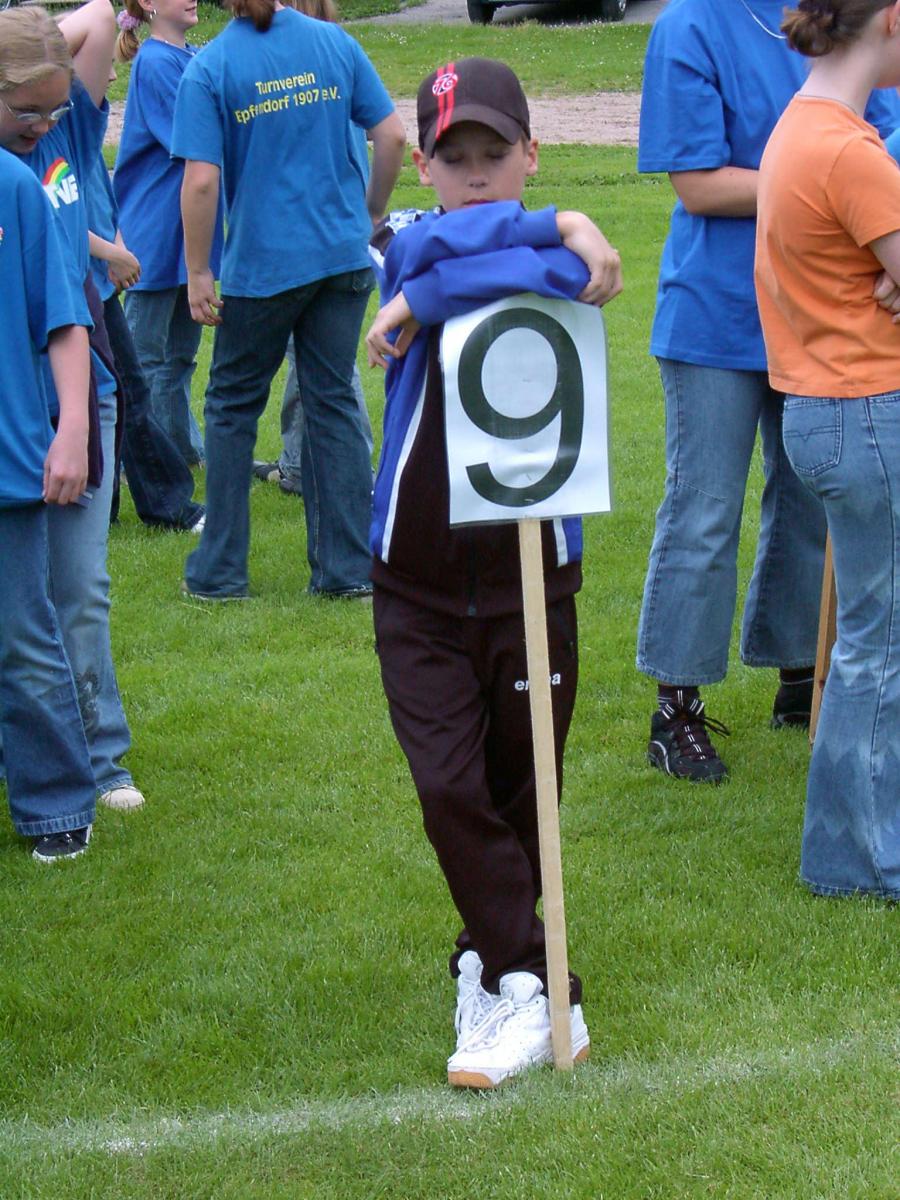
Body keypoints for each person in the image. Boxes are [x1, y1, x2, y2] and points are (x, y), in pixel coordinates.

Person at [364, 57, 622, 1087]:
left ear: (530, 154)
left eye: (494, 154)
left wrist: (557, 239)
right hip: (417, 582)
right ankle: (539, 985)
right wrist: (561, 224)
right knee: (448, 785)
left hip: (532, 576)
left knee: (523, 791)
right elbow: (430, 256)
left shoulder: (529, 257)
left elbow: (559, 282)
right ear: (423, 166)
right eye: (452, 156)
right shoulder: (405, 250)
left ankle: (488, 965)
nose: (474, 175)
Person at [635, 0, 899, 783]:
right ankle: (676, 703)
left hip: (816, 306)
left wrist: (877, 223)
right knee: (705, 506)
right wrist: (832, 188)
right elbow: (697, 184)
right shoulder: (689, 23)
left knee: (810, 497)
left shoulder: (833, 12)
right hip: (716, 315)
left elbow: (883, 135)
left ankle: (798, 668)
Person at [172, 0, 405, 601]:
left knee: (230, 406)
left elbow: (201, 180)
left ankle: (220, 571)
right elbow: (392, 135)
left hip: (263, 265)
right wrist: (371, 212)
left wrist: (198, 270)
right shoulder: (333, 43)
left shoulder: (210, 67)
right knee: (332, 401)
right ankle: (346, 569)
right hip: (340, 257)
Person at [754, 0, 900, 900]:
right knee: (879, 646)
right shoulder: (849, 151)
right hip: (868, 411)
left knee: (870, 640)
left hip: (826, 409)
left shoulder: (803, 128)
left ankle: (853, 849)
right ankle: (862, 860)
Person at [0, 0, 145, 812]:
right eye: (28, 111)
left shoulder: (65, 137)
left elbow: (93, 16)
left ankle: (101, 756)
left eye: (56, 108)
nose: (44, 124)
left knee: (78, 587)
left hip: (81, 392)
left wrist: (48, 57)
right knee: (19, 602)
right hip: (10, 398)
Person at [0, 150, 98, 862]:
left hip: (8, 457)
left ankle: (57, 802)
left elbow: (64, 318)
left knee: (22, 637)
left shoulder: (13, 184)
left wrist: (73, 429)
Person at [250, 0, 373, 499]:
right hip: (342, 231)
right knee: (316, 362)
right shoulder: (342, 57)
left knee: (329, 371)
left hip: (309, 240)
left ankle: (355, 474)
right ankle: (300, 464)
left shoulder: (303, 72)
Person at [85, 79, 206, 533]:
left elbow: (100, 198)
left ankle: (116, 506)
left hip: (98, 278)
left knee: (123, 390)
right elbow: (55, 214)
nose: (113, 77)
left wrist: (115, 245)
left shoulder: (79, 135)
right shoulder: (50, 138)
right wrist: (110, 253)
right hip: (77, 283)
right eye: (101, 70)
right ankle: (163, 503)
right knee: (121, 391)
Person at [113, 0, 224, 469]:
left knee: (179, 355)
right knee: (143, 359)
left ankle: (180, 452)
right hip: (155, 233)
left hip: (186, 235)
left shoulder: (190, 55)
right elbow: (195, 138)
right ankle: (142, 464)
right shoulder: (156, 62)